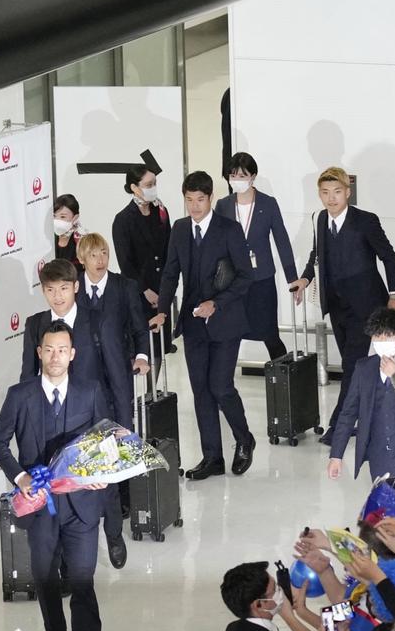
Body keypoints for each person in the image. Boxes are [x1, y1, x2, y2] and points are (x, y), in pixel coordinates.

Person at [0, 320, 111, 631]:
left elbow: (105, 441)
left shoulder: (90, 391)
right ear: (39, 353)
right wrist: (20, 477)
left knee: (83, 581)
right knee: (44, 577)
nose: (55, 356)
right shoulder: (19, 395)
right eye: (49, 350)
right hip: (39, 505)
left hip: (82, 506)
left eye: (62, 350)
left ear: (72, 354)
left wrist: (100, 472)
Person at [20, 258, 132, 570]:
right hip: (53, 418)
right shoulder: (35, 325)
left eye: (64, 289)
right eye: (50, 290)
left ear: (76, 288)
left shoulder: (98, 320)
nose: (57, 296)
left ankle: (113, 533)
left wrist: (123, 425)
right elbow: (27, 377)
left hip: (95, 416)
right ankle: (68, 556)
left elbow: (117, 375)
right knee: (62, 485)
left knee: (103, 481)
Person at [152, 171, 256, 480]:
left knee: (220, 386)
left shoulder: (229, 229)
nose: (194, 206)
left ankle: (244, 438)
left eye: (200, 199)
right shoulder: (180, 229)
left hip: (226, 321)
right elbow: (170, 273)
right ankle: (213, 457)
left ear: (211, 198)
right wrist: (162, 311)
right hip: (193, 324)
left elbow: (245, 276)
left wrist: (217, 303)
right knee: (201, 391)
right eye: (189, 200)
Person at [299, 167, 395, 439]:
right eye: (325, 193)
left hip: (366, 305)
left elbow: (389, 257)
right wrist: (306, 279)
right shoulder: (320, 219)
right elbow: (316, 254)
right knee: (354, 364)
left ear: (347, 192)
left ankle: (339, 426)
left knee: (352, 365)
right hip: (336, 305)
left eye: (336, 192)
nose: (331, 198)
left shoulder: (366, 221)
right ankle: (368, 415)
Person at [77, 234, 152, 566]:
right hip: (84, 380)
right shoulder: (73, 289)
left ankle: (121, 500)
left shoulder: (124, 286)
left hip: (118, 376)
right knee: (90, 441)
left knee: (120, 435)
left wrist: (142, 355)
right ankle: (96, 500)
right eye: (94, 255)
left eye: (104, 253)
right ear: (82, 258)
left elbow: (138, 326)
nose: (101, 260)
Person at [213, 152, 302, 362]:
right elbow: (216, 244)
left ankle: (283, 375)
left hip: (262, 279)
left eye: (242, 176)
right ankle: (224, 377)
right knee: (230, 334)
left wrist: (292, 278)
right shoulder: (223, 205)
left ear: (253, 176)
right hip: (233, 281)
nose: (236, 180)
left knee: (269, 333)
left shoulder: (267, 203)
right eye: (232, 176)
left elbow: (282, 240)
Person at [327, 308, 395, 483]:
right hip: (380, 457)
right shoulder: (364, 368)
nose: (382, 341)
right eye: (377, 336)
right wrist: (336, 455)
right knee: (384, 499)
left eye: (388, 336)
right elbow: (348, 413)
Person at [112, 163, 174, 355]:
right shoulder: (123, 219)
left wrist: (166, 288)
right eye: (148, 185)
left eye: (154, 183)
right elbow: (125, 262)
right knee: (143, 347)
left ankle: (156, 377)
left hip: (162, 290)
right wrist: (145, 290)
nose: (153, 188)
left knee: (161, 346)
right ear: (134, 187)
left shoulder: (161, 211)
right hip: (139, 293)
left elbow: (169, 250)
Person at [52, 194, 84, 270]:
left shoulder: (81, 241)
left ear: (75, 218)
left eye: (63, 217)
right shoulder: (50, 239)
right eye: (54, 216)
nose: (57, 221)